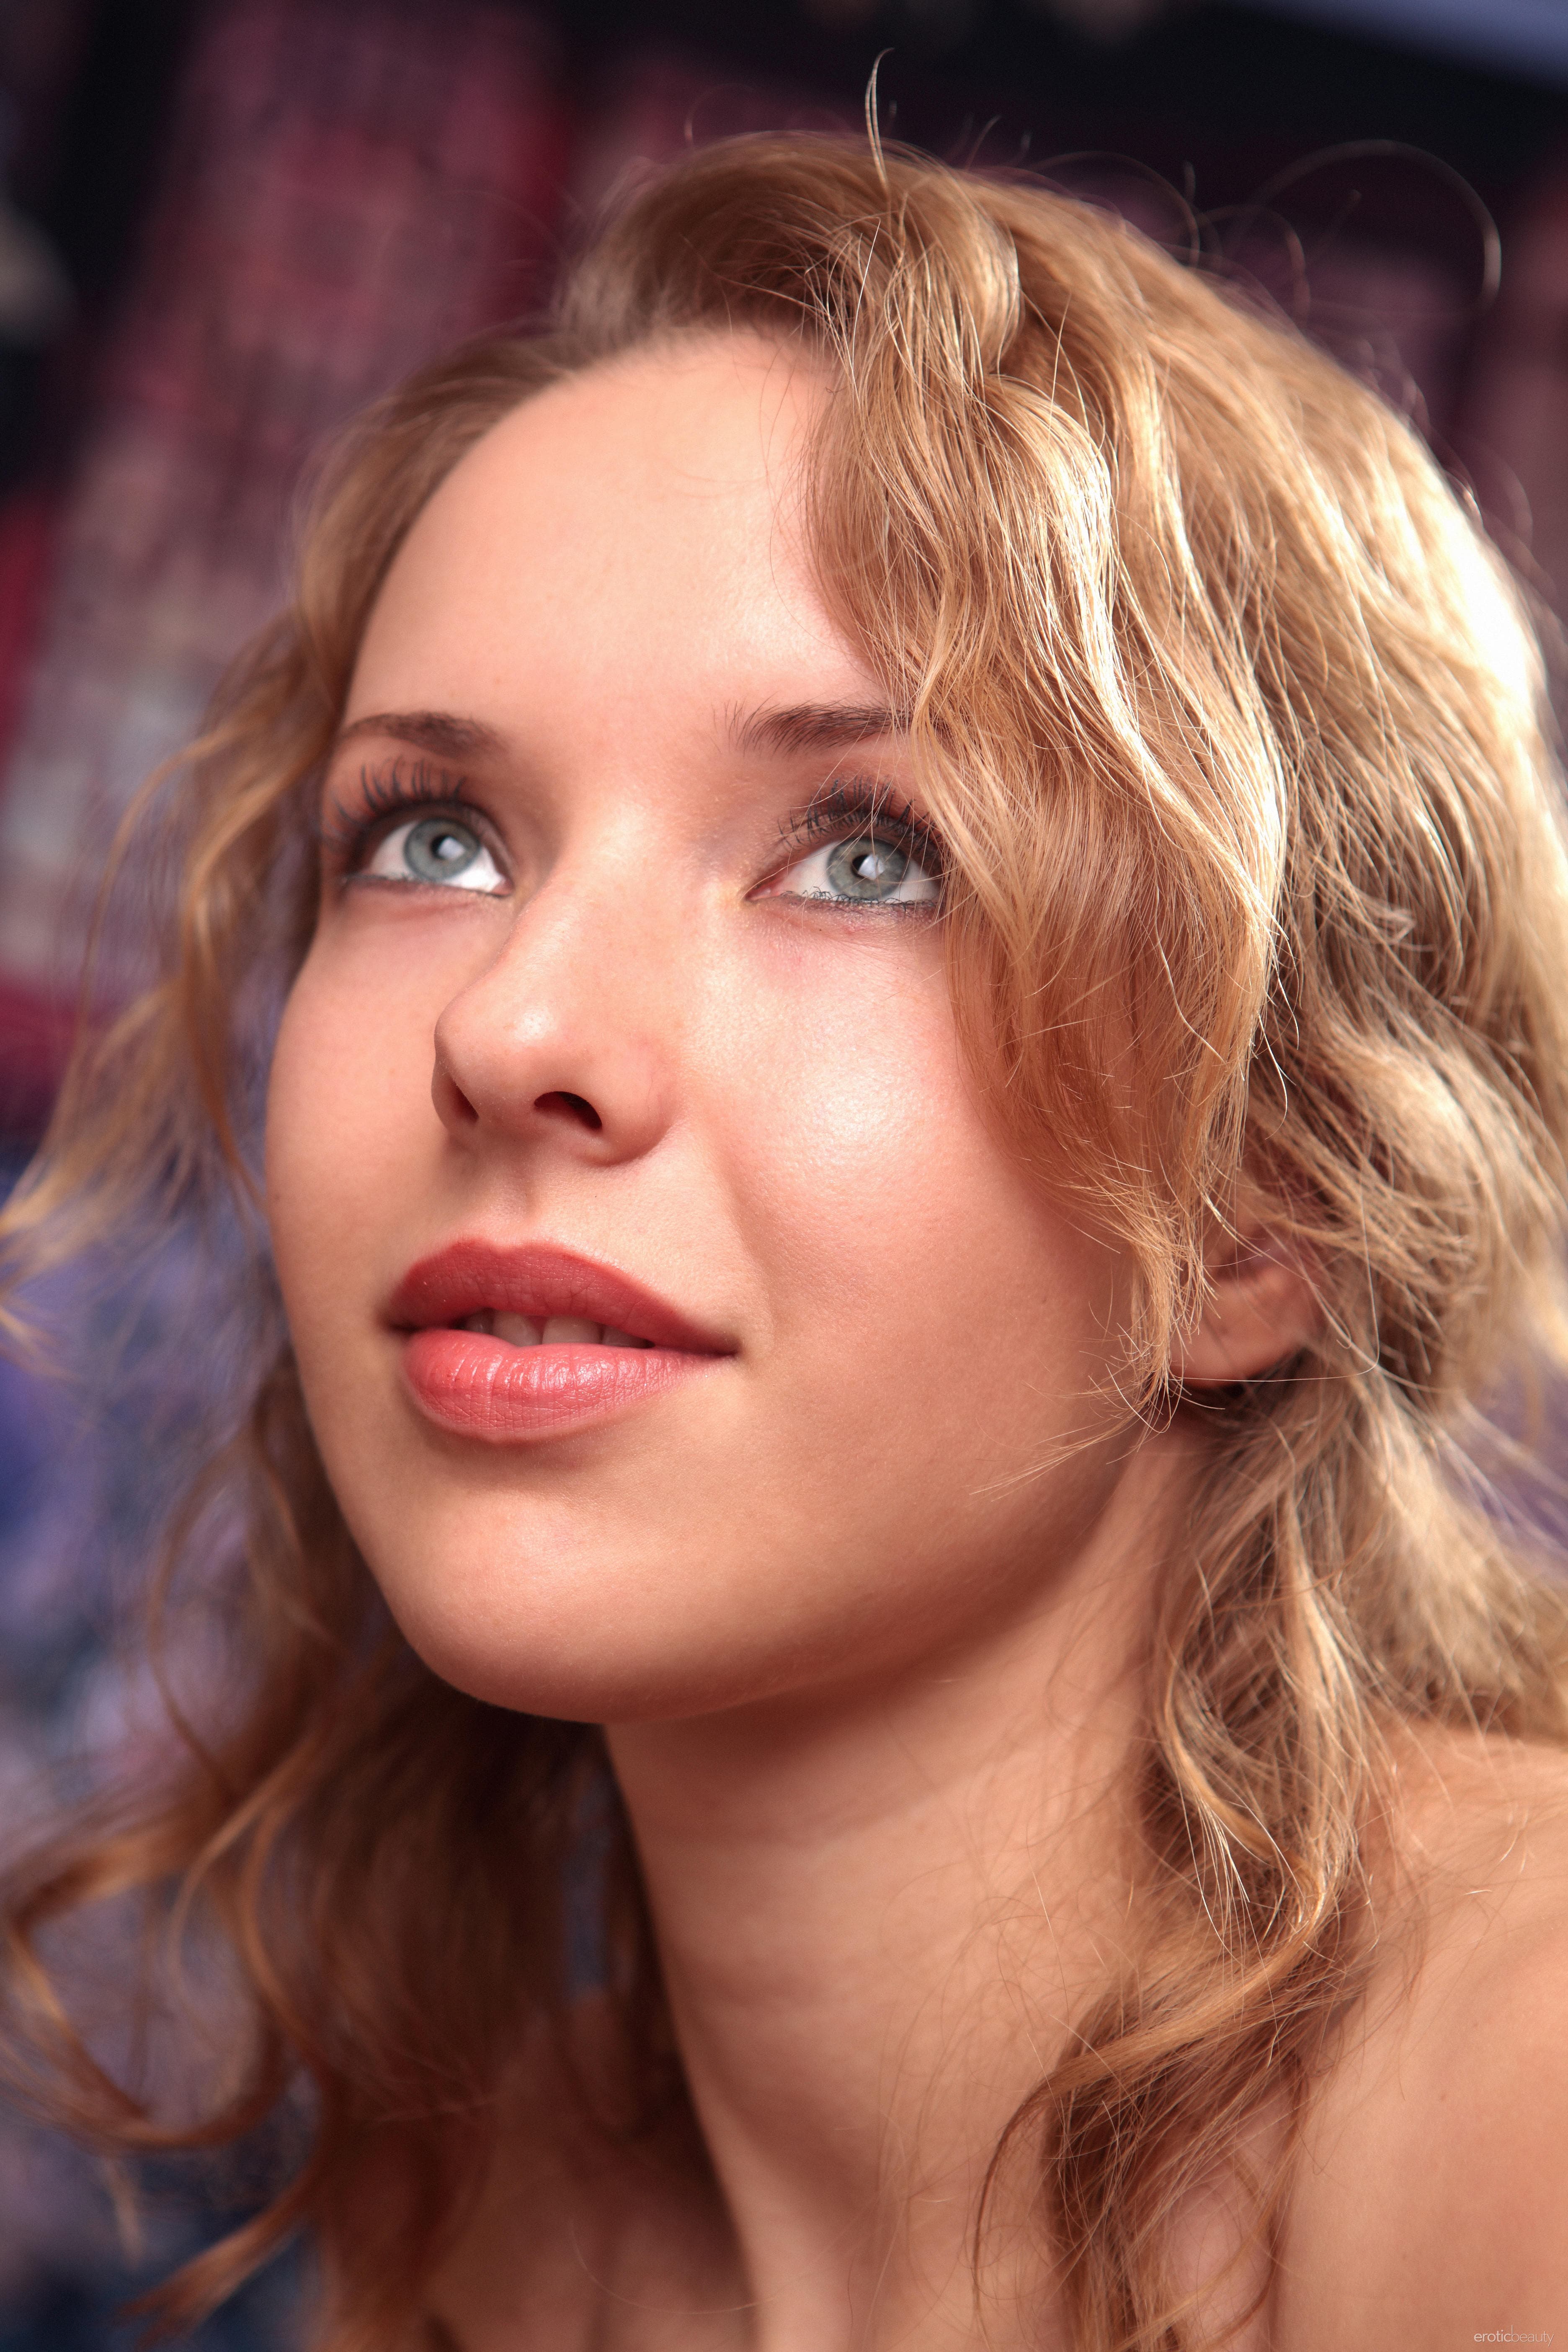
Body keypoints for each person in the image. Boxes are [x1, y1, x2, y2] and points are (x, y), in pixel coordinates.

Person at [3, 129, 1568, 2352]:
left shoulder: (1524, 2089)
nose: (511, 1031)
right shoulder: (486, 2220)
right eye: (435, 837)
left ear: (1268, 1202)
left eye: (867, 857)